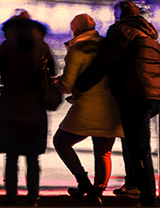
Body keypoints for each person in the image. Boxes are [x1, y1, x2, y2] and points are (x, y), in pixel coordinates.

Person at [74, 1, 160, 206]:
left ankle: (148, 198)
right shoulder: (149, 35)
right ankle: (133, 184)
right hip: (154, 95)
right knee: (131, 140)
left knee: (139, 147)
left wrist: (80, 86)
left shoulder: (121, 30)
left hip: (136, 95)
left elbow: (104, 62)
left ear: (120, 15)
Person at [52, 13, 121, 203]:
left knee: (61, 141)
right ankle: (97, 192)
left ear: (75, 30)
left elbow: (67, 85)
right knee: (103, 152)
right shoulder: (109, 46)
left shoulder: (78, 49)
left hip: (86, 105)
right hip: (112, 106)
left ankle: (83, 182)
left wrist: (54, 82)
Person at [0, 11, 55, 205]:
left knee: (11, 157)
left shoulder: (6, 47)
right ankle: (33, 196)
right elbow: (52, 72)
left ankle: (11, 195)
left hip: (10, 107)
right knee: (33, 157)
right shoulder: (42, 48)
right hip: (35, 108)